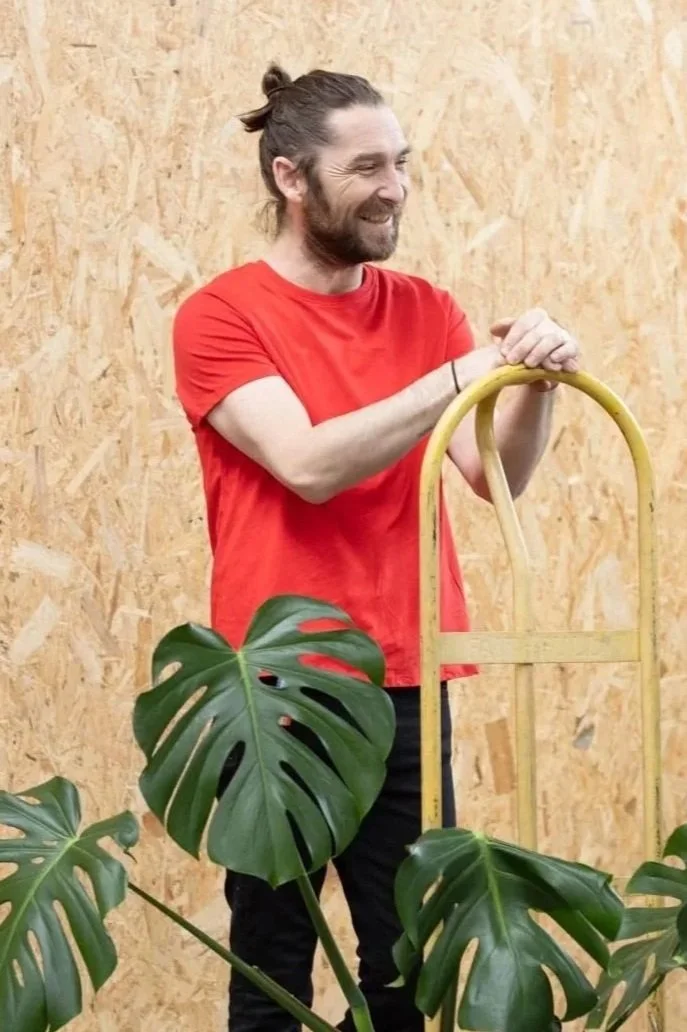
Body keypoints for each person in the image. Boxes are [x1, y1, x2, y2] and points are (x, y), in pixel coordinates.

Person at [172, 63, 580, 1032]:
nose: (394, 186)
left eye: (401, 162)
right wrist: (462, 373)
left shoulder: (426, 310)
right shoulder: (221, 317)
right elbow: (308, 463)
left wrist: (537, 383)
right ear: (290, 177)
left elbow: (498, 477)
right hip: (277, 691)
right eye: (366, 167)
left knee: (410, 974)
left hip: (409, 675)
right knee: (272, 971)